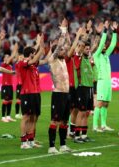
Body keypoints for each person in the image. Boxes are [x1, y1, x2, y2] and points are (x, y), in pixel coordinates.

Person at [47, 18, 72, 154]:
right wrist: (62, 30)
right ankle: (51, 147)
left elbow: (67, 44)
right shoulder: (53, 59)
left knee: (64, 122)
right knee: (55, 121)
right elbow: (60, 46)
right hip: (58, 94)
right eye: (61, 50)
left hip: (66, 94)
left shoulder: (63, 60)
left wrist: (66, 30)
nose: (64, 51)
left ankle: (62, 145)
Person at [19, 34, 44, 149]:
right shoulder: (22, 63)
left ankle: (30, 140)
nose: (35, 55)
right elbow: (34, 58)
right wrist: (41, 47)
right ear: (30, 55)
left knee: (34, 117)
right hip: (26, 93)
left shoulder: (33, 65)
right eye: (33, 53)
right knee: (26, 117)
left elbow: (38, 59)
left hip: (35, 93)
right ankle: (23, 142)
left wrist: (39, 45)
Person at [93, 20, 118, 132]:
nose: (104, 46)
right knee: (99, 103)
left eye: (104, 45)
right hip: (102, 81)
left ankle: (103, 125)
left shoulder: (106, 55)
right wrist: (105, 31)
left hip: (108, 82)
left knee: (106, 104)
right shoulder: (97, 55)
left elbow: (112, 44)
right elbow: (102, 41)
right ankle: (95, 126)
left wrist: (115, 32)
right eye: (102, 45)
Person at [0, 43, 18, 122]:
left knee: (10, 101)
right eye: (6, 57)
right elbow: (12, 57)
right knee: (5, 100)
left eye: (8, 56)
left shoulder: (10, 66)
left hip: (10, 86)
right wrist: (14, 50)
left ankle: (8, 116)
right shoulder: (3, 64)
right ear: (4, 58)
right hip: (5, 85)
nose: (8, 58)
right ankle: (3, 117)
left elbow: (15, 58)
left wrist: (16, 50)